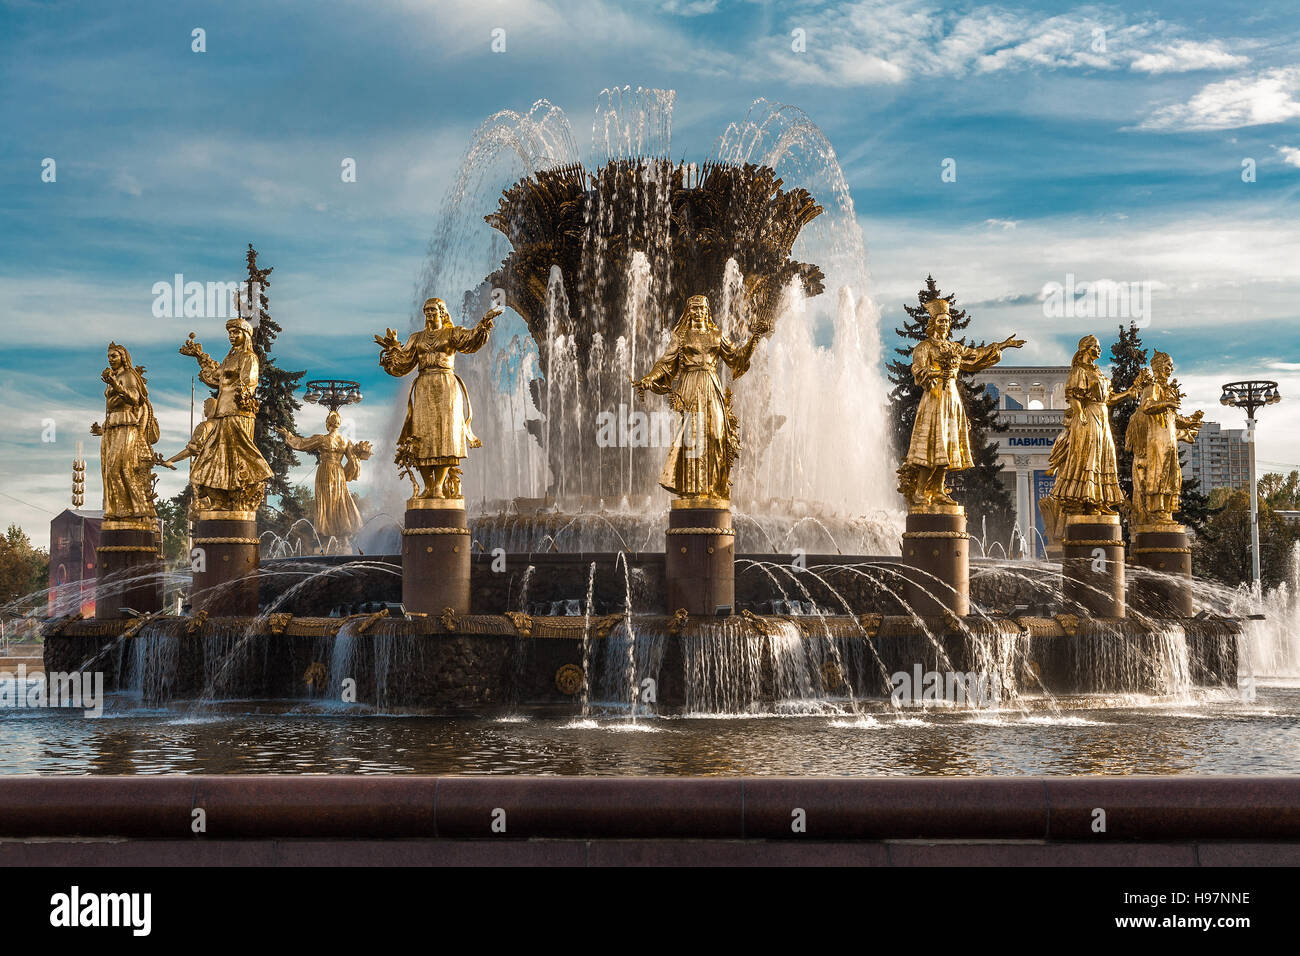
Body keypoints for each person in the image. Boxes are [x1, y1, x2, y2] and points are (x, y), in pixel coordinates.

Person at [631, 294, 763, 501]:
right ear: (689, 312)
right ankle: (692, 492)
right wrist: (649, 379)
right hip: (690, 389)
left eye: (701, 309)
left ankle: (714, 490)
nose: (698, 313)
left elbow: (737, 358)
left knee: (718, 435)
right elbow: (665, 363)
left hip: (712, 388)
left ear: (707, 311)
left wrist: (754, 338)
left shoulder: (717, 335)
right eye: (694, 309)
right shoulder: (682, 337)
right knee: (692, 440)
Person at [897, 298, 1024, 508]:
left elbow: (975, 355)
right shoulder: (924, 347)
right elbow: (918, 370)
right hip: (934, 398)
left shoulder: (954, 348)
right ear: (932, 323)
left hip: (951, 398)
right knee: (932, 445)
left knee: (946, 445)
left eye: (947, 321)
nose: (945, 325)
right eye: (941, 321)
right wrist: (937, 371)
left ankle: (938, 490)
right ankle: (920, 491)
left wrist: (1004, 345)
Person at [376, 297, 498, 498]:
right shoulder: (417, 338)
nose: (429, 314)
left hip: (446, 386)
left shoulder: (451, 333)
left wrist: (484, 322)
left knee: (444, 437)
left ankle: (439, 487)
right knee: (422, 437)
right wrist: (391, 355)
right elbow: (403, 362)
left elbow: (471, 340)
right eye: (426, 311)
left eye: (433, 310)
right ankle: (427, 487)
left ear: (442, 312)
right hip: (424, 386)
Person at [179, 316, 273, 512]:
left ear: (245, 335)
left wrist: (242, 391)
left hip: (239, 413)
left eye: (236, 332)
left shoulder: (249, 357)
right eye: (230, 333)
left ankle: (250, 485)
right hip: (223, 413)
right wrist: (199, 356)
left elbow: (249, 382)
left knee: (239, 456)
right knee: (216, 455)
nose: (231, 336)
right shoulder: (229, 358)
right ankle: (220, 498)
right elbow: (215, 377)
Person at [1046, 334, 1141, 515]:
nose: (1099, 350)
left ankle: (1100, 499)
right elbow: (1074, 396)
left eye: (1098, 347)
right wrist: (1080, 414)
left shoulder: (1098, 372)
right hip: (1088, 415)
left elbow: (1109, 398)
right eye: (1095, 346)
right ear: (1085, 348)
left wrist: (1129, 392)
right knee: (1090, 455)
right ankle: (1086, 500)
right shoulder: (1079, 371)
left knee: (1105, 455)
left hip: (1102, 415)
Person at [91, 342, 167, 520]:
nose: (110, 360)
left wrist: (115, 384)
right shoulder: (116, 376)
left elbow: (134, 398)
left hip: (126, 426)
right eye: (109, 356)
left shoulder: (128, 375)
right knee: (109, 471)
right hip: (112, 426)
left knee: (121, 468)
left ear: (123, 357)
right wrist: (101, 430)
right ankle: (118, 509)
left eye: (114, 356)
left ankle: (136, 509)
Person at [1126, 350, 1203, 525]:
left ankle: (1166, 511)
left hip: (1169, 440)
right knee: (1158, 472)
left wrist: (1191, 421)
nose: (1170, 369)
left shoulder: (1167, 390)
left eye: (1171, 366)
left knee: (1170, 474)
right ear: (1158, 367)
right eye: (1167, 365)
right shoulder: (1152, 387)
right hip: (1157, 438)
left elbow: (1174, 418)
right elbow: (1146, 406)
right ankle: (1157, 510)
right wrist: (1167, 403)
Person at [277, 412, 373, 548]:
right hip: (338, 473)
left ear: (328, 424)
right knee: (340, 502)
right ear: (339, 424)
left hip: (324, 472)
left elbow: (302, 444)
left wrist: (288, 435)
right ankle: (343, 539)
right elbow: (353, 462)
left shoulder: (322, 439)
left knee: (327, 503)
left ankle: (327, 540)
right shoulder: (346, 441)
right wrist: (347, 472)